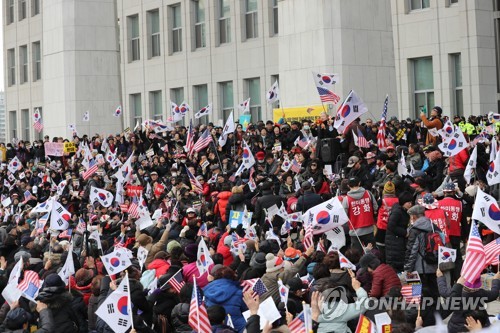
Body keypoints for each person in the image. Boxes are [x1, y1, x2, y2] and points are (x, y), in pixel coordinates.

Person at [342, 177, 378, 252]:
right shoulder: (368, 193)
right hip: (369, 229)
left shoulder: (346, 199)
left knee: (357, 255)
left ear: (348, 186)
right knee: (372, 254)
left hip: (355, 232)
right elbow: (376, 207)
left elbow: (344, 216)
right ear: (359, 183)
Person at [385, 192, 413, 273]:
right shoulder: (397, 211)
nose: (410, 204)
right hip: (394, 242)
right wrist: (405, 233)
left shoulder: (403, 210)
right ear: (403, 202)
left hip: (398, 241)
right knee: (395, 265)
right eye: (408, 202)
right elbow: (391, 226)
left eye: (411, 202)